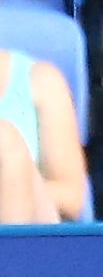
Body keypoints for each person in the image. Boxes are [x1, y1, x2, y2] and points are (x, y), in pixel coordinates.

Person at [0, 42, 86, 224]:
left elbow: (71, 197)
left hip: (33, 223)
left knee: (4, 140)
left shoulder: (41, 81)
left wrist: (10, 185)